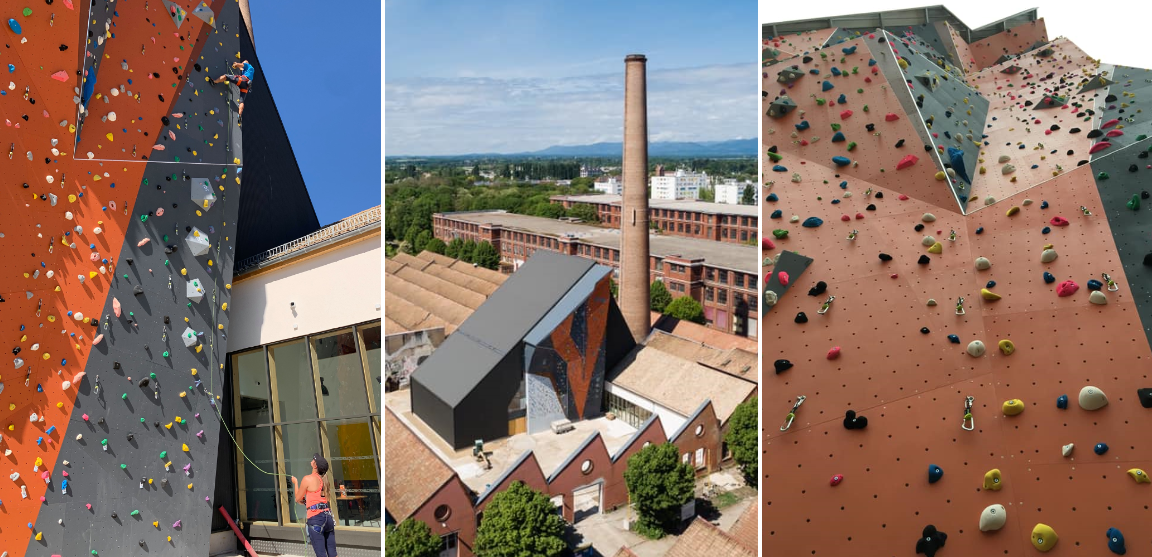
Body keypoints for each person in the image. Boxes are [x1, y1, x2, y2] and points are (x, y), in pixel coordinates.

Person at [291, 453, 337, 557]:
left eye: (313, 460)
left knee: (321, 554)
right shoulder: (324, 480)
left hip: (316, 518)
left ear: (315, 465)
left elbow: (298, 499)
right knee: (333, 554)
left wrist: (296, 483)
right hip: (328, 517)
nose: (311, 460)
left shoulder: (308, 479)